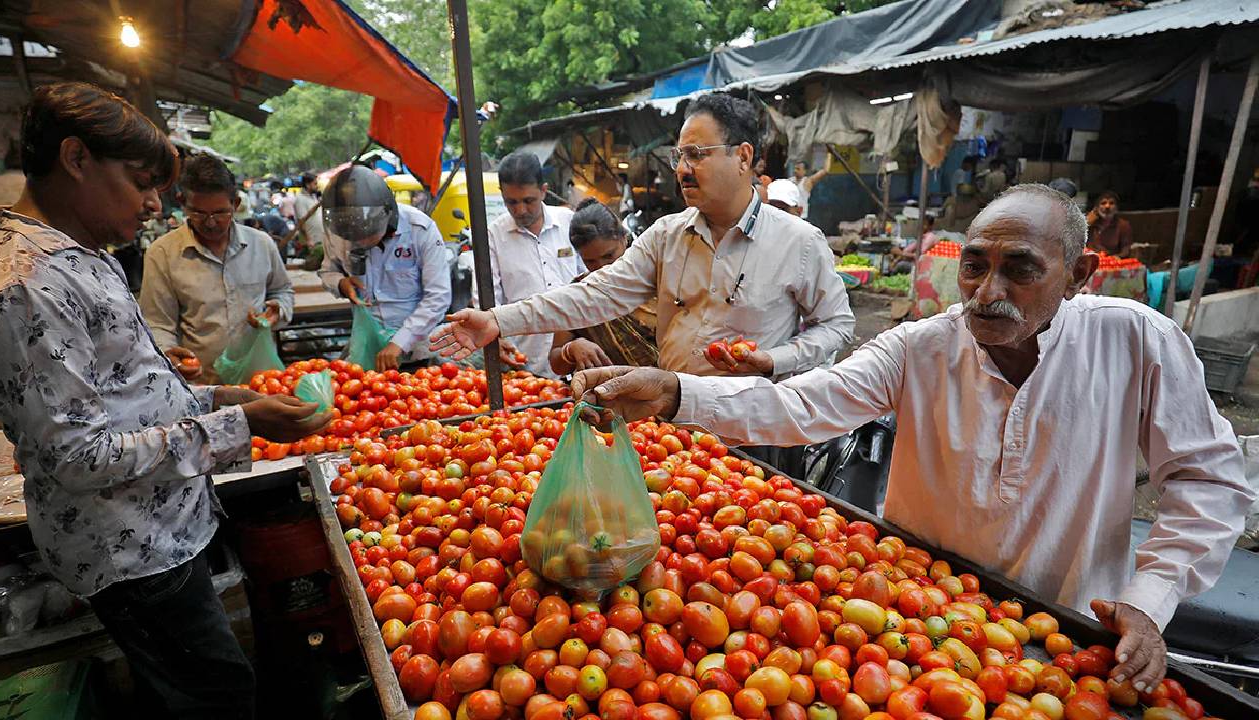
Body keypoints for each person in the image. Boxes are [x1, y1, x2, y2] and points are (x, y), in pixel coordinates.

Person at [570, 183, 1255, 694]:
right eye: (974, 266)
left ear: (1080, 274)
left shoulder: (1136, 341)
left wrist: (1152, 596)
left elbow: (1207, 478)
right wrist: (677, 392)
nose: (987, 291)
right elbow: (802, 404)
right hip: (910, 614)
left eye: (1019, 269)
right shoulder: (921, 346)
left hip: (1066, 635)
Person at [0, 81, 331, 718]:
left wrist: (219, 396)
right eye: (141, 182)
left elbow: (131, 392)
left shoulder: (81, 255)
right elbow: (80, 455)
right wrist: (234, 424)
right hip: (130, 548)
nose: (151, 204)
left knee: (185, 688)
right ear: (77, 158)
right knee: (217, 697)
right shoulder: (27, 285)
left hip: (161, 527)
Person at [432, 93, 855, 475]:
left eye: (697, 154)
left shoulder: (799, 242)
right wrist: (497, 320)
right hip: (671, 429)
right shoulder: (666, 236)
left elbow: (837, 326)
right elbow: (595, 294)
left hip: (753, 435)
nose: (683, 169)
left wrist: (776, 360)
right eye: (679, 156)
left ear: (743, 156)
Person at [140, 154, 295, 384]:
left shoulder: (261, 244)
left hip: (261, 384)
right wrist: (171, 356)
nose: (211, 222)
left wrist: (277, 311)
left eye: (220, 213)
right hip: (202, 389)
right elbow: (158, 324)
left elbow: (283, 291)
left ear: (236, 204)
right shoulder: (162, 254)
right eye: (199, 213)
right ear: (183, 203)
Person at [318, 164, 451, 372]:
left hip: (416, 352)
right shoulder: (337, 232)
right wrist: (342, 284)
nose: (360, 243)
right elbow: (328, 271)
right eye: (354, 239)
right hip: (365, 346)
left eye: (367, 236)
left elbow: (438, 296)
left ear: (387, 215)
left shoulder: (420, 230)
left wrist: (399, 342)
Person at [484, 152, 582, 378]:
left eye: (528, 201)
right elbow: (487, 298)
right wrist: (494, 339)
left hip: (576, 356)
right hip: (525, 363)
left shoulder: (569, 222)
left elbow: (588, 280)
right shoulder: (494, 235)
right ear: (502, 195)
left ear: (544, 190)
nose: (520, 210)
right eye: (511, 202)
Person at [548, 199, 658, 375]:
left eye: (609, 256)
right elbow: (556, 364)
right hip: (614, 397)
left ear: (623, 238)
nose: (601, 267)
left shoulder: (656, 278)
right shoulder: (580, 295)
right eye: (590, 261)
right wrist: (572, 349)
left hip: (675, 391)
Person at [1088, 190, 1134, 258]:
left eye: (1111, 203)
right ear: (1096, 208)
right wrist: (1086, 223)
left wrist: (1116, 257)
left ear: (1116, 208)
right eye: (1103, 203)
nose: (1107, 206)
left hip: (1112, 263)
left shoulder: (1123, 225)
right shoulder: (1090, 224)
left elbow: (1126, 249)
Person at [290, 171, 326, 255]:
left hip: (320, 238)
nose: (317, 186)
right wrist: (308, 240)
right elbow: (301, 221)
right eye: (315, 184)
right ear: (307, 185)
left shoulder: (313, 197)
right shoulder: (300, 199)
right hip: (312, 242)